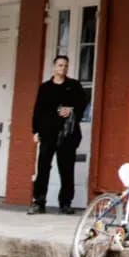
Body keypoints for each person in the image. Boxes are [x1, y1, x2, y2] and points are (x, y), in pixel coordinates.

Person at [29, 54, 89, 214]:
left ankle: (65, 203)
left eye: (65, 66)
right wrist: (35, 131)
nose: (63, 68)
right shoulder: (45, 87)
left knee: (66, 169)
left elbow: (83, 102)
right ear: (54, 67)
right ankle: (39, 202)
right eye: (60, 65)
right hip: (47, 133)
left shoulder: (73, 86)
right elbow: (38, 109)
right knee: (43, 168)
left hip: (67, 134)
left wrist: (71, 109)